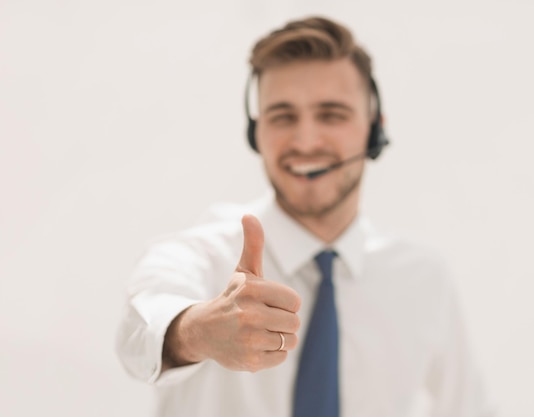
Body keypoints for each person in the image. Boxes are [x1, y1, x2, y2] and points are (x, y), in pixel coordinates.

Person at [116, 15, 492, 417]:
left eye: (332, 114)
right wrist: (196, 332)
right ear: (255, 134)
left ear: (374, 131)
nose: (306, 140)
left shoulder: (423, 278)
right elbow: (137, 336)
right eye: (282, 116)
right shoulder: (198, 254)